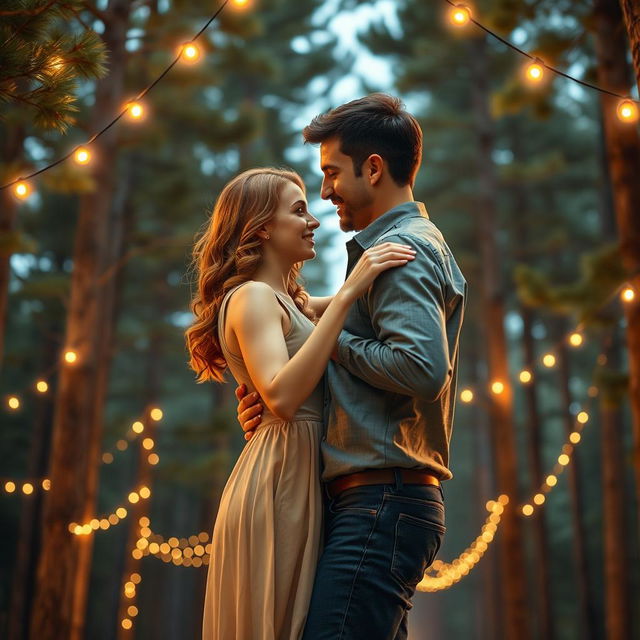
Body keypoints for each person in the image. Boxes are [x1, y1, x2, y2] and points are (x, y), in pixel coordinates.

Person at [236, 94, 467, 639]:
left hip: (382, 504)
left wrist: (327, 333)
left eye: (331, 172)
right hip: (374, 504)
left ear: (374, 168)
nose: (323, 192)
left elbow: (419, 368)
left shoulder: (401, 253)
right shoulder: (383, 253)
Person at [185, 167, 416, 640]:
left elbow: (356, 309)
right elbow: (284, 397)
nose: (313, 221)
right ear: (262, 227)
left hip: (302, 475)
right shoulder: (249, 297)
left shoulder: (290, 302)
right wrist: (353, 286)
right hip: (278, 485)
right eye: (299, 210)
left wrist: (387, 278)